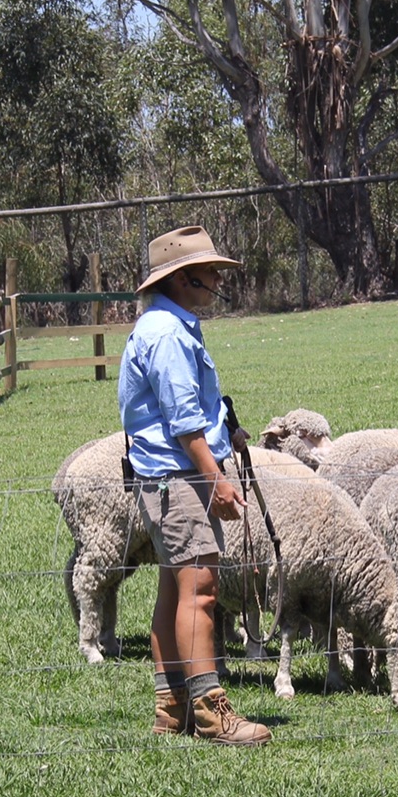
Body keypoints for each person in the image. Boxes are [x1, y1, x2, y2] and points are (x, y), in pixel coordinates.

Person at [118, 225, 272, 746]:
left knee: (175, 586)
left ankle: (173, 704)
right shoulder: (166, 334)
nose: (216, 281)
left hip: (167, 476)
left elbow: (193, 410)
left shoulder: (170, 325)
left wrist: (226, 427)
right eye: (210, 273)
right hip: (178, 478)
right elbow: (182, 422)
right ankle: (212, 710)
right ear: (185, 278)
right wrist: (217, 478)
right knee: (201, 589)